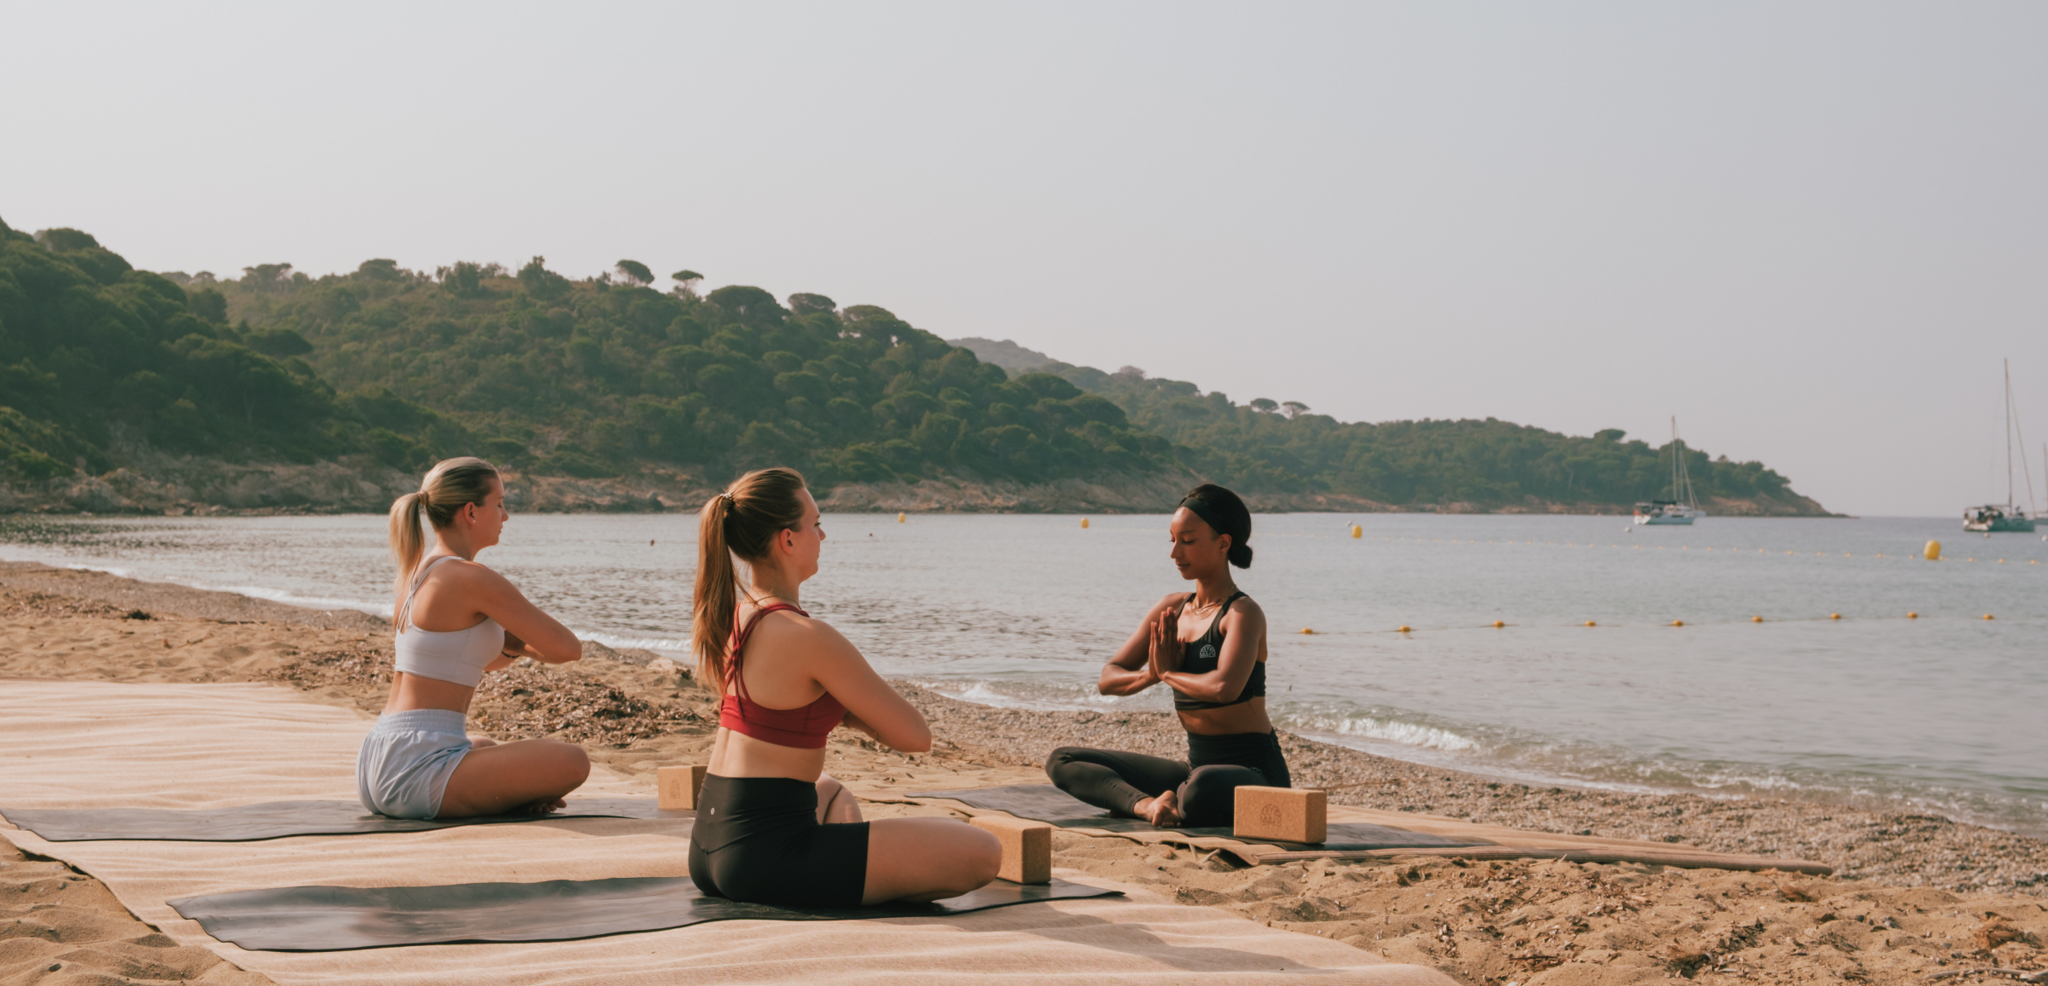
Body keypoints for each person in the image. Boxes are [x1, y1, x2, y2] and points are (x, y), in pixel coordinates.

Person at [689, 467, 1000, 907]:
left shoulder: (734, 617)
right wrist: (848, 709)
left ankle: (839, 871)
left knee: (831, 790)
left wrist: (834, 705)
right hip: (761, 860)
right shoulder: (808, 637)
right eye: (815, 523)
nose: (823, 534)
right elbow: (915, 736)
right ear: (788, 539)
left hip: (708, 845)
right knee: (982, 852)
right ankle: (839, 880)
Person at [356, 457, 591, 820]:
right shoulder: (471, 578)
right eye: (499, 504)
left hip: (381, 757)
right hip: (415, 769)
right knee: (573, 762)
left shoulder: (418, 572)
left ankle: (513, 793)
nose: (505, 516)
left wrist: (510, 645)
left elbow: (479, 659)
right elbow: (568, 648)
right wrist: (516, 640)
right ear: (470, 512)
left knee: (483, 746)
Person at [1046, 484, 1287, 828]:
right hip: (1194, 767)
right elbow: (1108, 678)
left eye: (1187, 541)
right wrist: (1149, 676)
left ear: (1223, 542)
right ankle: (1148, 807)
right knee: (1063, 760)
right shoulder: (1172, 608)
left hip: (1254, 772)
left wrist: (1168, 674)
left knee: (1200, 788)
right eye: (1172, 540)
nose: (1175, 553)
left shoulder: (1242, 614)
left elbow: (1224, 688)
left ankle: (1172, 799)